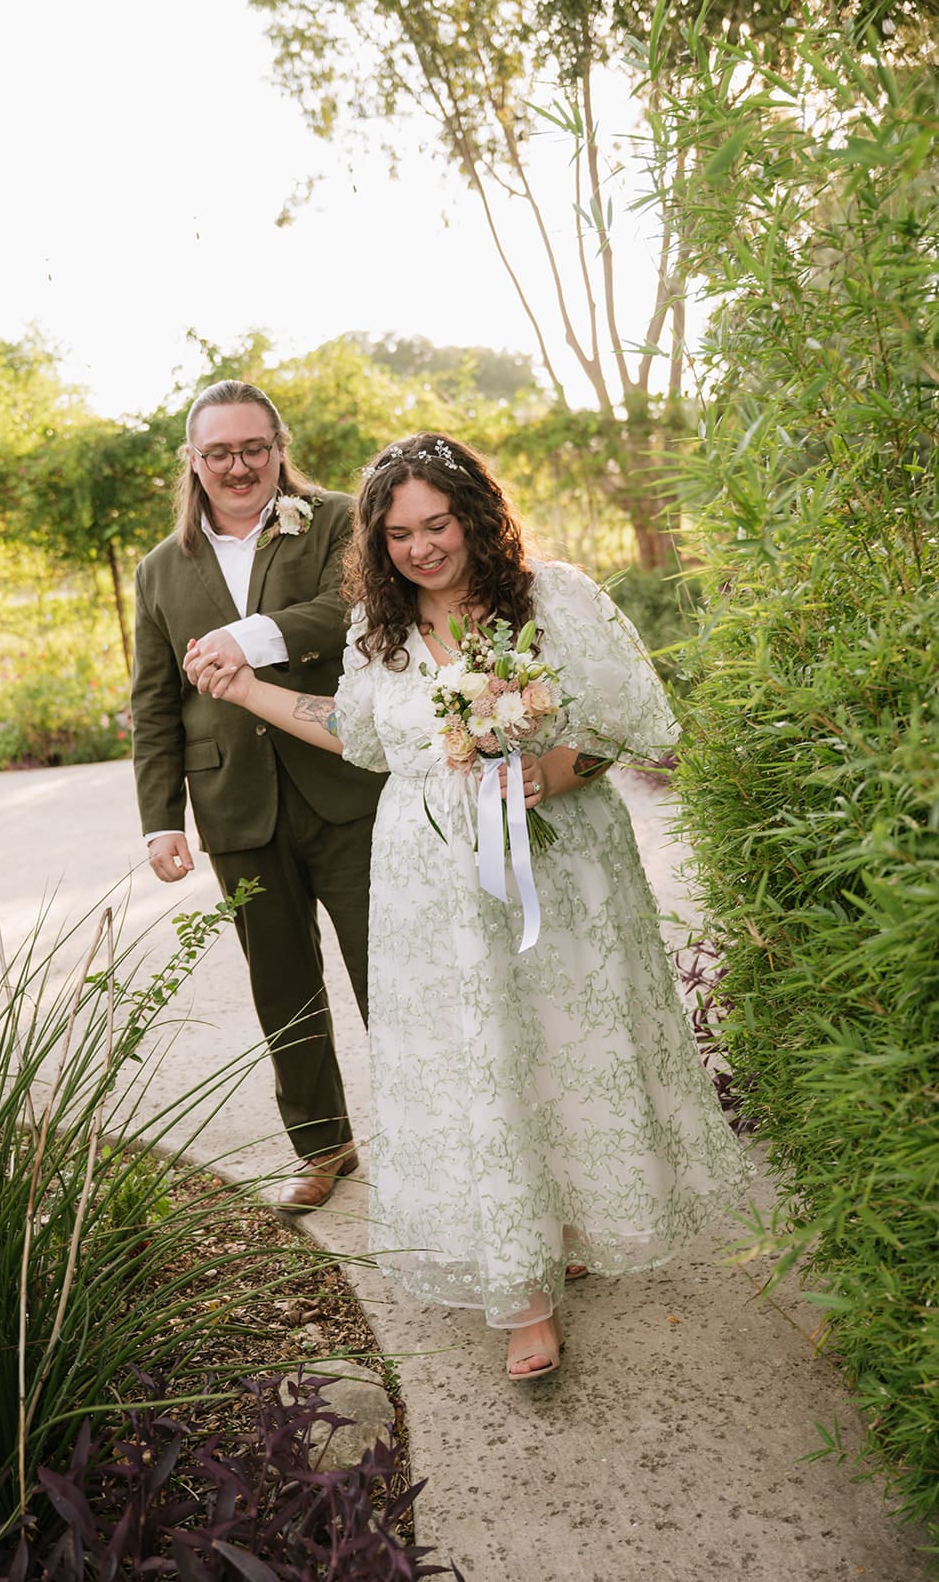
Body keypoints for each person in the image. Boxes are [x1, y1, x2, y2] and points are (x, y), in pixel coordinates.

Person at [184, 432, 754, 1382]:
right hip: (433, 875)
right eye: (399, 533)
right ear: (377, 541)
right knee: (472, 1054)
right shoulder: (383, 627)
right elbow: (359, 736)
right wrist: (248, 687)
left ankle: (567, 1215)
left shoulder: (555, 597)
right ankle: (519, 1289)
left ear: (475, 516)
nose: (421, 548)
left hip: (563, 866)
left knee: (561, 1034)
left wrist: (551, 771)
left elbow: (625, 726)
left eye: (436, 524)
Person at [131, 380, 385, 1208]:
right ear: (193, 462)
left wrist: (247, 638)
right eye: (219, 453)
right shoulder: (160, 570)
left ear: (278, 446)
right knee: (280, 982)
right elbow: (155, 700)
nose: (238, 467)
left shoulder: (339, 519)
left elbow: (354, 606)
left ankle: (439, 1136)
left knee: (391, 969)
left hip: (346, 784)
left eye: (253, 448)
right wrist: (159, 819)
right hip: (235, 804)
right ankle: (323, 1146)